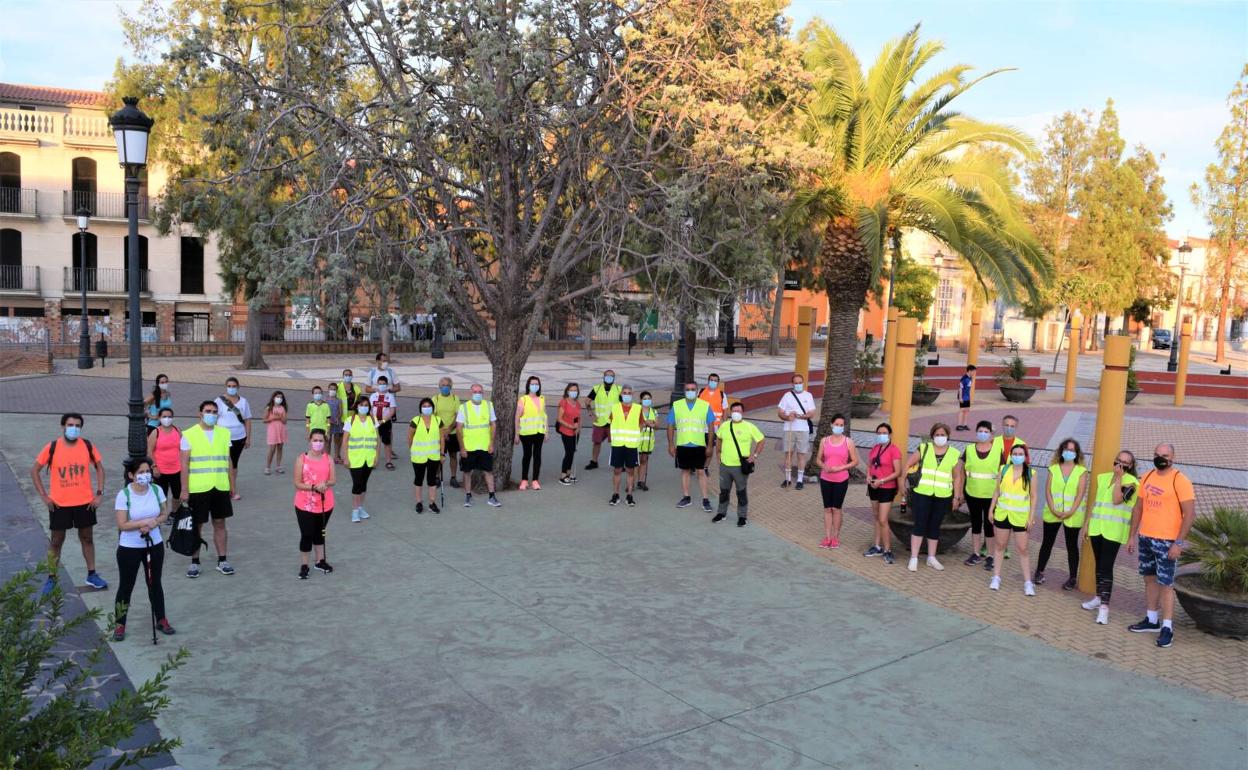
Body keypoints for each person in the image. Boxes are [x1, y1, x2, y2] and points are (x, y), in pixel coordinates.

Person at [1127, 443, 1197, 648]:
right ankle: (1151, 619)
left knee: (1166, 584)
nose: (1160, 458)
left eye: (1164, 455)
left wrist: (1178, 542)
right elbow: (1138, 508)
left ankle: (1167, 627)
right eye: (1157, 455)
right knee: (1149, 578)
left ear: (1173, 457)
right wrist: (1132, 536)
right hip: (1146, 537)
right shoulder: (1147, 476)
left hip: (1167, 542)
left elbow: (1190, 514)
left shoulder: (1180, 480)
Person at [30, 413, 108, 595]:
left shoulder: (87, 446)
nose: (74, 428)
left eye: (77, 425)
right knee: (56, 541)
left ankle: (92, 574)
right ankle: (51, 577)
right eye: (70, 424)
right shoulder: (52, 447)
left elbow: (99, 467)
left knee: (87, 538)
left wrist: (99, 494)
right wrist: (44, 496)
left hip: (85, 503)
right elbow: (34, 470)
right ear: (63, 426)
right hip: (59, 504)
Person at [112, 457, 175, 640]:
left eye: (147, 471)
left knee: (155, 583)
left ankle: (161, 619)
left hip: (153, 544)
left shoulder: (156, 490)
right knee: (126, 585)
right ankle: (119, 624)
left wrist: (154, 523)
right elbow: (122, 524)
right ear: (131, 475)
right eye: (140, 472)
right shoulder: (124, 495)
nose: (145, 475)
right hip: (129, 547)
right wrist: (141, 523)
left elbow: (164, 513)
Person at [1081, 450, 1139, 625]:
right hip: (1097, 528)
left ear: (1130, 466)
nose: (1119, 465)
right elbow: (1096, 502)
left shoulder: (1132, 483)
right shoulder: (1103, 477)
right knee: (1099, 565)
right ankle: (1098, 597)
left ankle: (1105, 607)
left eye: (1125, 463)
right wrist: (1087, 524)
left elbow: (1116, 500)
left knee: (1106, 567)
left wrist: (1120, 477)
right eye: (1118, 461)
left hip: (1113, 532)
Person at [179, 400, 235, 577]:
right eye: (208, 411)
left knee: (220, 523)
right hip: (198, 488)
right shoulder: (189, 434)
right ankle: (195, 562)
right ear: (200, 413)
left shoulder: (225, 433)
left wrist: (232, 485)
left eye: (214, 411)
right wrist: (184, 489)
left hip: (220, 486)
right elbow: (184, 464)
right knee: (197, 525)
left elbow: (228, 460)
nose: (212, 414)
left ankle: (222, 560)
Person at [903, 423, 964, 571]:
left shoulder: (954, 453)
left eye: (943, 435)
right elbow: (907, 466)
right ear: (932, 436)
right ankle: (914, 557)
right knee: (919, 524)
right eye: (937, 434)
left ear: (948, 436)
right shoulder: (924, 448)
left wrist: (956, 497)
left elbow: (957, 477)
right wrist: (901, 484)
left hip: (943, 495)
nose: (940, 437)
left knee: (935, 526)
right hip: (922, 493)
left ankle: (931, 557)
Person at [1035, 438, 1089, 589]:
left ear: (1077, 453)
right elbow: (1048, 490)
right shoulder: (1053, 468)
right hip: (1053, 513)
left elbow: (1080, 493)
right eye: (1066, 449)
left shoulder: (1081, 471)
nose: (1069, 452)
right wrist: (1053, 508)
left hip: (1073, 515)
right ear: (1061, 451)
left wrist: (1070, 511)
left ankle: (1072, 578)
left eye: (1072, 450)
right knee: (1047, 543)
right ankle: (1039, 571)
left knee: (1072, 546)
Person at [988, 443, 1037, 595]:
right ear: (1011, 455)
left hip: (1021, 517)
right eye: (1014, 454)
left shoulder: (1031, 473)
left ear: (1025, 456)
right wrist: (991, 509)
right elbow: (997, 492)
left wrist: (1031, 517)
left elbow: (1034, 497)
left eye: (1020, 454)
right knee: (1000, 545)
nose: (1017, 456)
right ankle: (996, 577)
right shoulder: (1003, 470)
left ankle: (1028, 582)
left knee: (1022, 549)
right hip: (1002, 514)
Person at [713, 401, 764, 527]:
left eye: (739, 411)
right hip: (725, 465)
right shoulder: (724, 426)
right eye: (734, 411)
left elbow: (761, 440)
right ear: (730, 412)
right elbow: (719, 439)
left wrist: (754, 455)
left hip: (740, 467)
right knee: (724, 491)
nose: (736, 413)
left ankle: (742, 516)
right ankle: (721, 513)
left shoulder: (749, 426)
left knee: (741, 491)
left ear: (743, 412)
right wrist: (718, 454)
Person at [667, 381, 716, 512]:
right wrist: (671, 444)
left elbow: (711, 426)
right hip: (682, 444)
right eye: (688, 389)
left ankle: (705, 499)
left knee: (701, 471)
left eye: (693, 389)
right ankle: (686, 497)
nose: (690, 391)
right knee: (685, 471)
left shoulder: (705, 405)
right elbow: (670, 425)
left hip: (699, 444)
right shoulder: (677, 405)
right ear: (684, 391)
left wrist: (710, 445)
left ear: (697, 390)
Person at [293, 428, 336, 578]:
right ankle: (304, 565)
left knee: (320, 532)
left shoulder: (328, 459)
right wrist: (314, 487)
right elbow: (297, 483)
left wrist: (325, 484)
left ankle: (320, 560)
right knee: (307, 534)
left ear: (325, 442)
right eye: (315, 440)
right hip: (305, 504)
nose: (318, 443)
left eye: (321, 441)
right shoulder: (301, 459)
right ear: (309, 441)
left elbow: (333, 480)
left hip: (325, 503)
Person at [816, 413, 859, 549]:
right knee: (827, 509)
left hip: (841, 479)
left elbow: (855, 461)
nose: (839, 427)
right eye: (836, 424)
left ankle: (835, 537)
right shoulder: (824, 441)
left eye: (841, 425)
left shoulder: (848, 442)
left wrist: (841, 467)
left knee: (836, 508)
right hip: (825, 478)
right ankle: (827, 537)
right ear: (831, 425)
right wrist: (825, 466)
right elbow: (818, 459)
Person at [962, 420, 1000, 568]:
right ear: (976, 432)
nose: (983, 434)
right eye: (980, 431)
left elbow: (1002, 473)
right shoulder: (970, 449)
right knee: (976, 524)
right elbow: (961, 469)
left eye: (986, 431)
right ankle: (976, 553)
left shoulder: (997, 450)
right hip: (972, 493)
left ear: (991, 434)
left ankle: (990, 555)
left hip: (991, 495)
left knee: (990, 525)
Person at [457, 383, 502, 507]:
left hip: (484, 445)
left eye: (480, 392)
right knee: (467, 472)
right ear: (470, 393)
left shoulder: (488, 405)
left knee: (488, 471)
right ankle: (468, 496)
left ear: (483, 393)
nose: (478, 394)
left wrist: (491, 443)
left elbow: (493, 424)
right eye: (475, 392)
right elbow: (459, 428)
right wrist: (462, 447)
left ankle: (492, 497)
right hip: (469, 446)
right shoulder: (463, 407)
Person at [865, 422, 902, 562]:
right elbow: (870, 465)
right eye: (879, 433)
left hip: (887, 487)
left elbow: (898, 471)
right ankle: (877, 546)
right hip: (873, 486)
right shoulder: (875, 448)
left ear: (890, 434)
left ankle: (888, 549)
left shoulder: (894, 450)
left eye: (884, 433)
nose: (881, 436)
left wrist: (882, 480)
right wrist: (868, 477)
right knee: (876, 518)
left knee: (883, 519)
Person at [342, 395, 380, 522]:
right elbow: (345, 440)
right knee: (357, 484)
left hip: (368, 458)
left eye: (366, 405)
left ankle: (360, 507)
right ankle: (355, 510)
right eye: (361, 405)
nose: (363, 407)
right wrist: (345, 457)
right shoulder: (350, 420)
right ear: (357, 406)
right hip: (355, 458)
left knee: (364, 484)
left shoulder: (373, 420)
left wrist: (376, 456)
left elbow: (377, 440)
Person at [214, 377, 252, 501]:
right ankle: (225, 488)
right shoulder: (219, 401)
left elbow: (247, 420)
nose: (231, 388)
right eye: (229, 386)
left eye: (234, 386)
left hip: (239, 436)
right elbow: (213, 418)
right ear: (226, 386)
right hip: (222, 437)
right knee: (225, 462)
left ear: (238, 387)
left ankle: (232, 487)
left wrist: (248, 438)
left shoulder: (244, 402)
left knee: (234, 463)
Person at [407, 397, 445, 514]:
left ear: (432, 408)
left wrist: (442, 454)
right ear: (420, 408)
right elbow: (409, 437)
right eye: (424, 406)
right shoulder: (415, 420)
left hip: (433, 456)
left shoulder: (438, 421)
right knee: (419, 479)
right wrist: (412, 449)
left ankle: (432, 503)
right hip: (418, 457)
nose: (426, 408)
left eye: (429, 406)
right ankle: (419, 502)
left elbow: (442, 438)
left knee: (432, 479)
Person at [777, 374, 815, 490]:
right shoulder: (787, 396)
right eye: (796, 383)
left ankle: (799, 480)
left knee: (801, 454)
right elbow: (780, 412)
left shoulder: (808, 395)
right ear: (792, 384)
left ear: (803, 383)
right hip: (789, 428)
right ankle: (788, 479)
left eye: (800, 382)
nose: (798, 385)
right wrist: (787, 417)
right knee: (788, 454)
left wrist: (800, 416)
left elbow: (811, 413)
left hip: (803, 429)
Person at [606, 385, 643, 506]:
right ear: (621, 394)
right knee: (617, 470)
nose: (627, 395)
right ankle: (615, 494)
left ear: (632, 395)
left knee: (630, 471)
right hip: (618, 444)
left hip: (631, 444)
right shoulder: (615, 407)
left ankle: (629, 495)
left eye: (629, 393)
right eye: (625, 393)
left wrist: (637, 434)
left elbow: (641, 423)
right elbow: (610, 422)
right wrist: (611, 438)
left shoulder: (638, 408)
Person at [584, 370, 621, 470]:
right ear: (603, 377)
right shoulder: (597, 388)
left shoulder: (618, 389)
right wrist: (590, 412)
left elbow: (625, 404)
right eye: (607, 376)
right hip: (599, 422)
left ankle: (618, 463)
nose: (609, 378)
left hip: (613, 422)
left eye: (611, 376)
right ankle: (594, 462)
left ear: (614, 378)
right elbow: (587, 401)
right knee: (596, 442)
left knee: (616, 444)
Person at [515, 375, 547, 490]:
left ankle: (535, 480)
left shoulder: (542, 398)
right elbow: (517, 417)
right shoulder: (523, 399)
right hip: (526, 434)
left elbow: (544, 416)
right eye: (532, 384)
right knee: (527, 456)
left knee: (537, 456)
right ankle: (524, 480)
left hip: (539, 432)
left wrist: (546, 432)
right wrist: (516, 434)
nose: (535, 386)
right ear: (528, 385)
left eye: (537, 384)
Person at [146, 407, 182, 503]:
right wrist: (154, 467)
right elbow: (149, 450)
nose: (167, 419)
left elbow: (182, 448)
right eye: (164, 416)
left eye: (170, 416)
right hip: (160, 471)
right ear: (159, 418)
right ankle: (163, 515)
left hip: (177, 469)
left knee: (177, 495)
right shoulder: (155, 432)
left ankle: (174, 513)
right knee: (162, 496)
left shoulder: (177, 430)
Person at [433, 377, 463, 487]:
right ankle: (436, 477)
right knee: (438, 456)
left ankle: (453, 477)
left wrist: (449, 429)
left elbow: (457, 416)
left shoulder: (455, 399)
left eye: (447, 385)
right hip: (439, 433)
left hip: (453, 432)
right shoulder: (435, 399)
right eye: (443, 385)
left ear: (450, 387)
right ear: (439, 387)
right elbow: (433, 416)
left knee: (453, 455)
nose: (445, 387)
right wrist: (442, 431)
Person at [368, 375, 398, 470]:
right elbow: (370, 409)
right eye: (380, 384)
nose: (381, 385)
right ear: (377, 384)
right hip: (374, 423)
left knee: (387, 442)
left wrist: (383, 421)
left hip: (386, 423)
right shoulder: (373, 396)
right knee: (374, 442)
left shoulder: (390, 397)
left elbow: (392, 411)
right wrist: (375, 420)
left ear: (387, 385)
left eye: (383, 384)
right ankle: (373, 461)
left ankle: (388, 462)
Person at [334, 370, 362, 462]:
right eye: (346, 375)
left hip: (352, 417)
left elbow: (359, 402)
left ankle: (347, 455)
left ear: (352, 376)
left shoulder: (356, 388)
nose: (348, 376)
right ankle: (337, 455)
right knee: (338, 437)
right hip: (340, 416)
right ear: (343, 376)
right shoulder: (337, 387)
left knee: (350, 437)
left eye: (350, 375)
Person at [556, 383, 581, 485]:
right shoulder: (563, 402)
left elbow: (578, 417)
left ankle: (569, 473)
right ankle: (563, 475)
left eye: (575, 390)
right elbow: (559, 419)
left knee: (572, 451)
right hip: (566, 431)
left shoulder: (578, 404)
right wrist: (571, 427)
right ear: (567, 391)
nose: (574, 392)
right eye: (572, 390)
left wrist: (579, 427)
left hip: (575, 431)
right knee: (569, 452)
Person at [636, 391, 659, 492]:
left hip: (648, 441)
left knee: (644, 461)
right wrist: (646, 423)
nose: (647, 400)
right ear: (641, 400)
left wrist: (652, 424)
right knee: (635, 462)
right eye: (645, 399)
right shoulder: (636, 411)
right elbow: (634, 425)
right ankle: (631, 482)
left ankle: (641, 481)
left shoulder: (654, 412)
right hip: (637, 440)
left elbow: (657, 426)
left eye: (649, 398)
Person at [263, 390, 289, 475]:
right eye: (277, 397)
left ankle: (278, 466)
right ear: (274, 398)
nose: (279, 399)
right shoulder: (269, 408)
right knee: (272, 449)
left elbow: (285, 421)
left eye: (281, 397)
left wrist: (280, 417)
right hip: (272, 430)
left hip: (281, 430)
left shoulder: (283, 408)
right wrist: (272, 418)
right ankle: (268, 467)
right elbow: (264, 420)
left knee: (280, 448)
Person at [955, 365, 976, 431]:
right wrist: (960, 398)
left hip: (967, 397)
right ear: (969, 371)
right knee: (962, 410)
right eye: (973, 371)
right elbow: (960, 388)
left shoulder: (970, 378)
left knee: (967, 410)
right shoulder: (964, 379)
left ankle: (965, 425)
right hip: (963, 397)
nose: (974, 373)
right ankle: (959, 425)